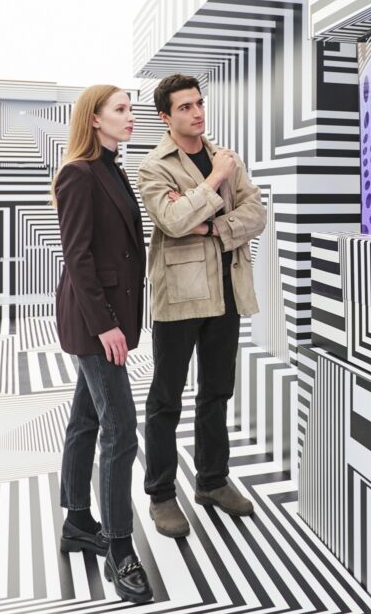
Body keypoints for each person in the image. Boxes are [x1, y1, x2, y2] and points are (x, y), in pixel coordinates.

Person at [137, 73, 266, 538]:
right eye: (185, 107)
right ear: (165, 116)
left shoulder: (227, 155)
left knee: (217, 393)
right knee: (165, 399)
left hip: (227, 291)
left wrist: (212, 227)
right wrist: (215, 181)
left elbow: (257, 214)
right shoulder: (155, 166)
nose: (197, 112)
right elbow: (171, 221)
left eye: (198, 103)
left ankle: (212, 481)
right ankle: (161, 493)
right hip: (180, 294)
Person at [52, 84, 152, 603]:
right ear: (94, 119)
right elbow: (79, 258)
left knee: (87, 419)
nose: (129, 116)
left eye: (130, 109)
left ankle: (77, 520)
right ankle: (118, 548)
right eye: (120, 110)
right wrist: (107, 324)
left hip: (110, 316)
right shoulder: (78, 174)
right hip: (96, 322)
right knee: (120, 429)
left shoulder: (112, 168)